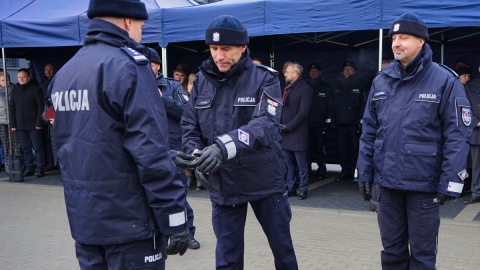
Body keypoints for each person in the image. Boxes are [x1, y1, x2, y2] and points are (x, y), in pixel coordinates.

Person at [46, 1, 189, 269]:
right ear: (127, 22)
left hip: (85, 221)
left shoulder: (66, 72)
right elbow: (150, 153)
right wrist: (175, 217)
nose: (140, 34)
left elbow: (71, 143)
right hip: (130, 224)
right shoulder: (131, 68)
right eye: (141, 27)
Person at [176, 15, 298, 269]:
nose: (219, 55)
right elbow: (189, 125)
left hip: (265, 180)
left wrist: (222, 147)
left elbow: (266, 123)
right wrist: (197, 154)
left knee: (282, 251)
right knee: (228, 259)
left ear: (243, 47)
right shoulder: (201, 81)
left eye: (226, 49)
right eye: (214, 49)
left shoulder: (265, 78)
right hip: (224, 183)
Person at [355, 13, 472, 269]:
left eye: (403, 38)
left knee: (422, 256)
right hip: (387, 186)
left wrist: (451, 181)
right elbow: (369, 131)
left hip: (423, 186)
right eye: (394, 38)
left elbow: (457, 135)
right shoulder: (381, 80)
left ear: (421, 41)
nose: (396, 43)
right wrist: (364, 171)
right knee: (392, 253)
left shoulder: (444, 80)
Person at [146, 47, 200, 250]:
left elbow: (186, 112)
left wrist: (162, 98)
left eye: (148, 64)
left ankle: (188, 233)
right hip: (148, 152)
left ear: (157, 66)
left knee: (178, 195)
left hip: (173, 150)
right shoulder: (134, 86)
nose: (143, 68)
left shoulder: (173, 86)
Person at [280, 62, 313, 200]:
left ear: (296, 74)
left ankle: (303, 188)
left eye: (287, 71)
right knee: (289, 164)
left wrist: (289, 126)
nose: (285, 74)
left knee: (301, 164)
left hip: (297, 131)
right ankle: (291, 187)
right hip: (285, 131)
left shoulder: (305, 88)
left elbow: (303, 112)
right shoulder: (288, 88)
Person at [333, 61, 367, 181]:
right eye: (345, 69)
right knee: (342, 148)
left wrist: (361, 120)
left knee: (354, 148)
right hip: (339, 122)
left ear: (355, 71)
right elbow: (332, 104)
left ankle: (353, 172)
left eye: (349, 69)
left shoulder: (360, 84)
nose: (347, 71)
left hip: (353, 122)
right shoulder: (337, 84)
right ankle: (344, 171)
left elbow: (363, 104)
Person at [10, 68, 45, 178]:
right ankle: (29, 167)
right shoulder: (15, 91)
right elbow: (12, 108)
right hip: (20, 125)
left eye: (24, 77)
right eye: (19, 77)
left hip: (34, 124)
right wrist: (13, 124)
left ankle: (40, 168)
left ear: (28, 78)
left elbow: (41, 107)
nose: (21, 79)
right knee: (25, 148)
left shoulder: (36, 90)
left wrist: (39, 122)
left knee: (38, 148)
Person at [305, 63, 333, 180]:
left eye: (316, 71)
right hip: (305, 124)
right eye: (311, 71)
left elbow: (330, 106)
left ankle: (321, 169)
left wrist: (328, 120)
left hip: (320, 124)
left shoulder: (325, 87)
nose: (313, 73)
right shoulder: (304, 86)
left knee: (320, 148)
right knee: (306, 148)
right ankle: (307, 170)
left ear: (320, 73)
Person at [464, 62, 480, 204]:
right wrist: (476, 122)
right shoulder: (470, 86)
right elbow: (466, 108)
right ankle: (476, 192)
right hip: (477, 132)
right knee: (476, 166)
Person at [0, 72, 21, 173]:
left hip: (13, 121)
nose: (6, 82)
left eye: (7, 80)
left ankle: (18, 165)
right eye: (3, 80)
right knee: (5, 144)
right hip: (2, 122)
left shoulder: (15, 89)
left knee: (16, 144)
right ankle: (8, 166)